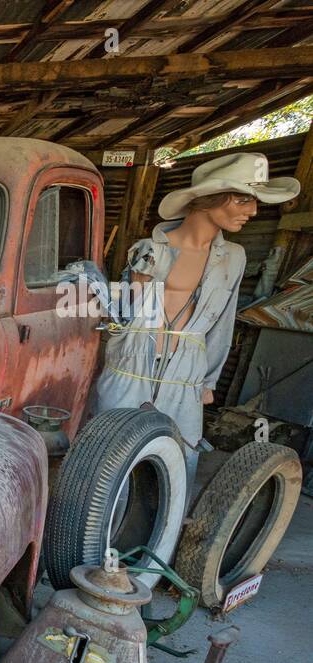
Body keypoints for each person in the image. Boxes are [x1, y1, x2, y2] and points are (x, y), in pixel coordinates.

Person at [92, 152, 300, 484]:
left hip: (187, 372)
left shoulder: (233, 258)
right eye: (244, 199)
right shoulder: (150, 250)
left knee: (176, 462)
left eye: (255, 201)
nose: (253, 211)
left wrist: (208, 381)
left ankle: (161, 533)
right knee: (106, 462)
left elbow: (222, 323)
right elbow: (122, 317)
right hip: (130, 366)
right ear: (208, 199)